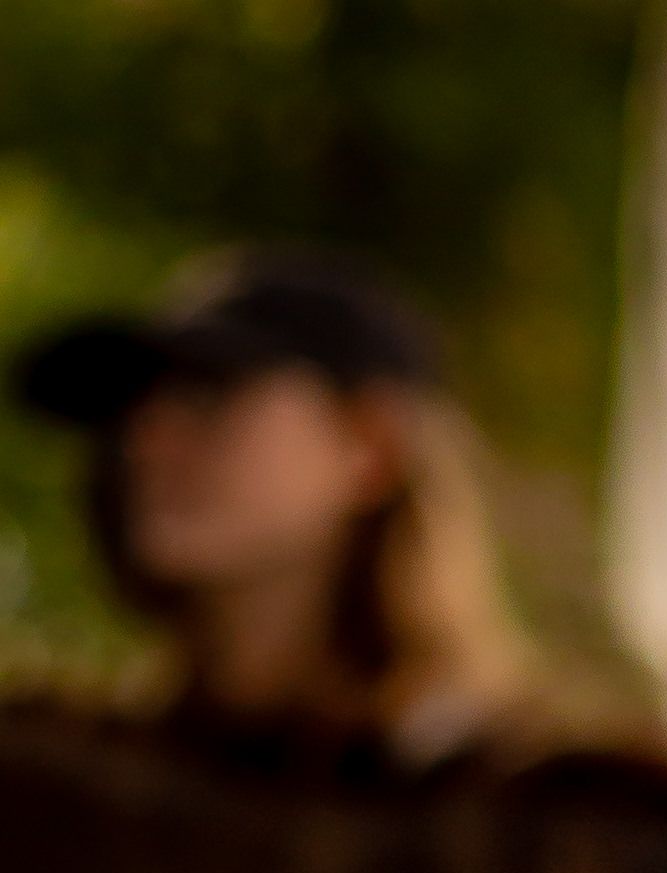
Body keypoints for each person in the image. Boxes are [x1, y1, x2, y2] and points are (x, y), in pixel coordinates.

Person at [10, 247, 532, 772]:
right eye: (133, 409)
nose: (145, 445)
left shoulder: (509, 790)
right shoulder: (67, 777)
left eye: (207, 394)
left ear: (370, 445)